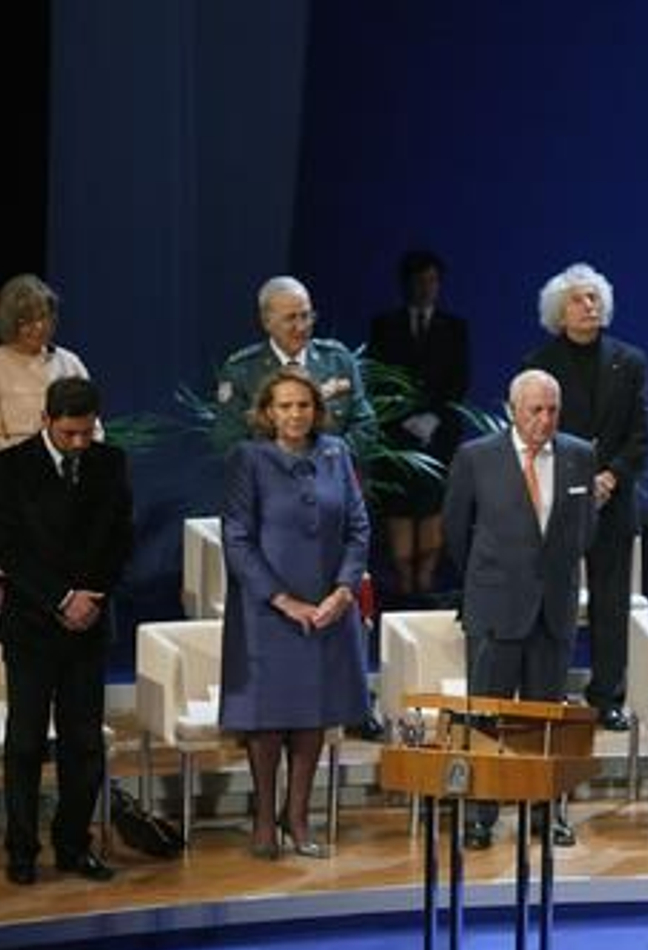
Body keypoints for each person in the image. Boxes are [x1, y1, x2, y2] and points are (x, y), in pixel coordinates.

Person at [0, 377, 133, 885]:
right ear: (46, 421)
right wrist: (61, 598)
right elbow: (7, 547)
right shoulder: (9, 467)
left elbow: (120, 537)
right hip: (32, 624)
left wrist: (92, 596)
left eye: (87, 433)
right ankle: (21, 850)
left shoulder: (110, 462)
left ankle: (74, 846)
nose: (79, 443)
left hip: (90, 624)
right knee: (25, 743)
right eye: (69, 433)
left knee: (84, 744)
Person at [219, 368, 372, 859]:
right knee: (268, 719)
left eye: (303, 405)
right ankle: (264, 819)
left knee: (312, 716)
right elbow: (237, 536)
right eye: (284, 406)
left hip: (328, 605)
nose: (295, 414)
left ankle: (298, 817)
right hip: (268, 609)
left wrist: (344, 590)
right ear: (267, 412)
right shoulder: (250, 458)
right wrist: (282, 600)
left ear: (316, 410)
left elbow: (358, 526)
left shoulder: (336, 453)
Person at [442, 369, 597, 849]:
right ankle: (480, 817)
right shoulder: (476, 457)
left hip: (552, 610)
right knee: (485, 718)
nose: (546, 420)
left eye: (553, 410)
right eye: (536, 410)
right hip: (494, 608)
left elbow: (584, 530)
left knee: (543, 720)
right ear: (513, 410)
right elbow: (455, 530)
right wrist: (491, 581)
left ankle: (542, 815)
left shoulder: (579, 455)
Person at [523, 262, 648, 733]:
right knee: (555, 600)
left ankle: (607, 697)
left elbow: (639, 436)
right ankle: (549, 694)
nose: (589, 306)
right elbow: (535, 435)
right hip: (559, 499)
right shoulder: (539, 365)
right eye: (578, 299)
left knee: (612, 603)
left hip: (614, 501)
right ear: (559, 311)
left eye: (595, 298)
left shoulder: (629, 360)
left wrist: (611, 478)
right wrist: (581, 479)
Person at [0, 274, 94, 605]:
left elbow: (95, 429)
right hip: (11, 504)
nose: (38, 327)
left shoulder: (69, 363)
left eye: (44, 317)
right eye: (27, 320)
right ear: (10, 323)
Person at [367, 250, 471, 600]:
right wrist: (404, 417)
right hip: (396, 436)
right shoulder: (384, 325)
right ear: (405, 284)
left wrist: (432, 416)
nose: (426, 287)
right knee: (399, 506)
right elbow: (377, 378)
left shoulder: (455, 328)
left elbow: (459, 381)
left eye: (432, 281)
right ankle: (403, 584)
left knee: (432, 506)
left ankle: (424, 584)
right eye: (418, 281)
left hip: (439, 435)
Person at [216, 276, 377, 455]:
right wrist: (279, 466)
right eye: (290, 318)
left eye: (306, 316)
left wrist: (331, 460)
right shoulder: (241, 371)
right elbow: (228, 441)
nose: (301, 327)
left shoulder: (338, 360)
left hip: (332, 477)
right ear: (266, 322)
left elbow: (365, 425)